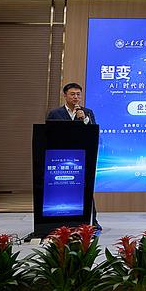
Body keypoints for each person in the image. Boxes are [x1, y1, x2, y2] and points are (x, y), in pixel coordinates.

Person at [46, 82, 101, 231]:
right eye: (72, 94)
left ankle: (92, 221)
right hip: (60, 157)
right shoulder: (55, 113)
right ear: (65, 96)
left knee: (85, 187)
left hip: (82, 156)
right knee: (61, 188)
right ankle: (60, 220)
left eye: (78, 94)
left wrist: (84, 119)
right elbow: (49, 134)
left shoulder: (87, 112)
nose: (76, 97)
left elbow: (93, 133)